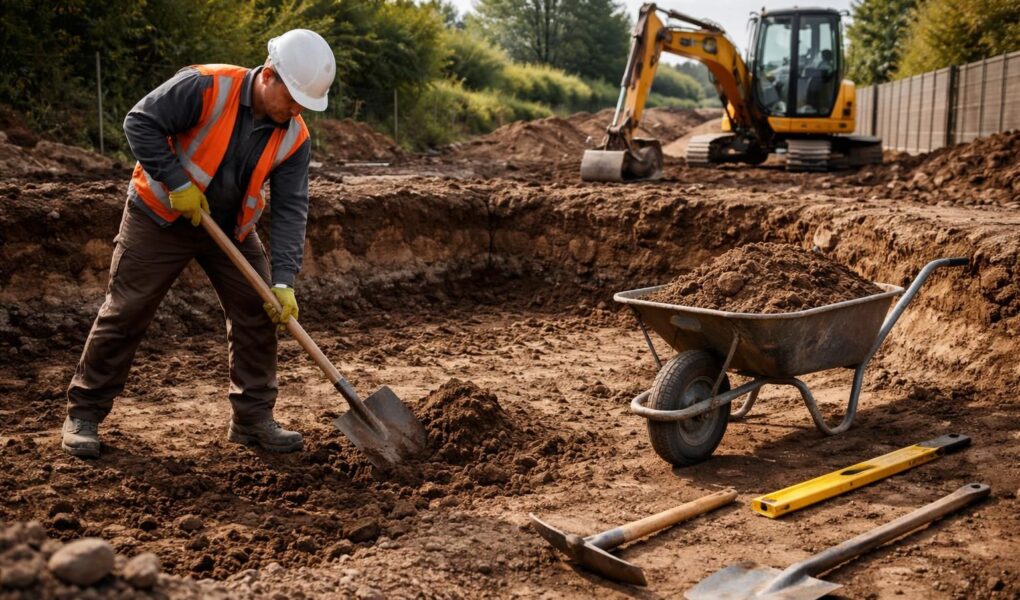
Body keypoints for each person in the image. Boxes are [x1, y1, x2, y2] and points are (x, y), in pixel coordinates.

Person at [61, 29, 336, 457]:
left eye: (306, 102)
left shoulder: (295, 137)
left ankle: (252, 420)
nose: (299, 109)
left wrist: (283, 280)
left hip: (231, 229)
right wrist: (175, 181)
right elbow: (140, 121)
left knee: (259, 311)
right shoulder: (207, 85)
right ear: (269, 76)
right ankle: (84, 413)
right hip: (160, 215)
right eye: (294, 97)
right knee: (127, 309)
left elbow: (290, 209)